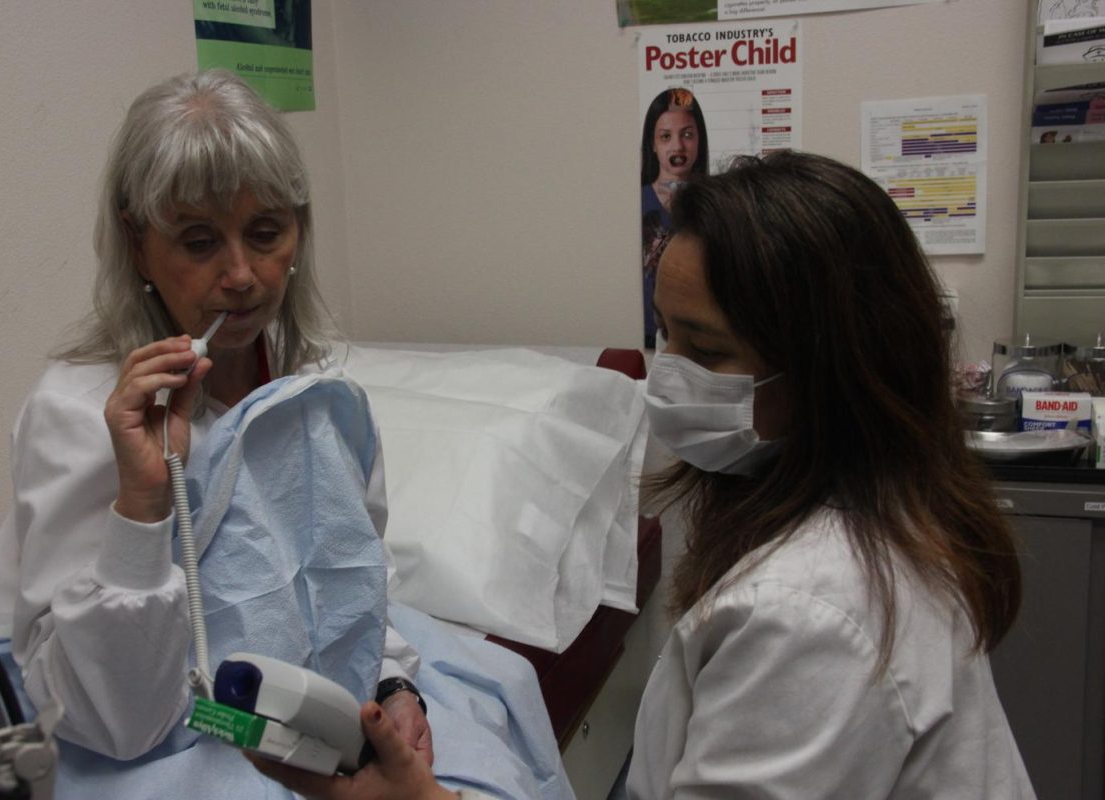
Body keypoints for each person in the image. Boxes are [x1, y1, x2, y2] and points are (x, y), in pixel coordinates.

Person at [251, 150, 1036, 799]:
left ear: (832, 371)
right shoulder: (858, 514)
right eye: (665, 336)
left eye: (706, 349)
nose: (667, 376)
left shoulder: (815, 617)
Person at [0, 70, 430, 795]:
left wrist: (395, 687)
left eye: (265, 233)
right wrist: (142, 505)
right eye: (198, 241)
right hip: (159, 759)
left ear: (300, 226)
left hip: (329, 729)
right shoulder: (76, 414)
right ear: (137, 242)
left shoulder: (314, 390)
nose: (243, 276)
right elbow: (112, 723)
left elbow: (356, 579)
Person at [640, 87, 708, 349]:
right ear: (653, 145)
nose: (678, 146)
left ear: (699, 140)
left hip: (701, 339)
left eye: (688, 135)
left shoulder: (718, 206)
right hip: (654, 336)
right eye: (665, 136)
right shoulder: (642, 201)